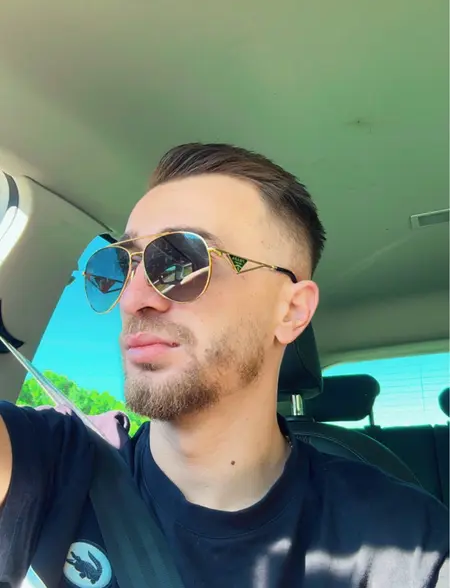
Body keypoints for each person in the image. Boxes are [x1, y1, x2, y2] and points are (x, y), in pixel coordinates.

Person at [0, 143, 448, 587]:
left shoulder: (405, 544)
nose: (133, 298)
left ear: (291, 311)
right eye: (125, 265)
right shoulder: (57, 464)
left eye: (181, 261)